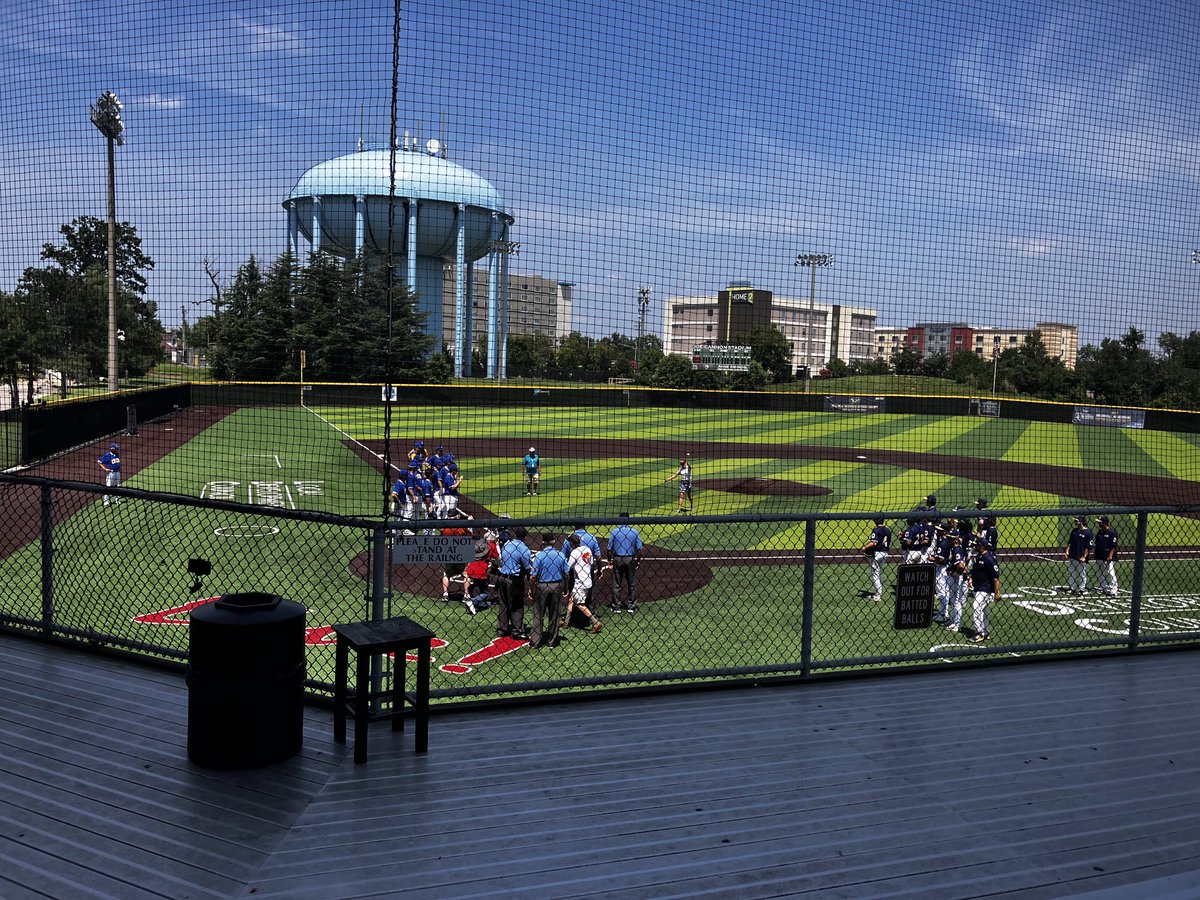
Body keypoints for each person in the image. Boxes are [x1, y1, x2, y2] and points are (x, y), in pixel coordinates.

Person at [529, 533, 570, 648]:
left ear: (543, 543)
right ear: (553, 542)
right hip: (556, 586)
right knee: (554, 614)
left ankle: (535, 641)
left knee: (538, 614)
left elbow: (533, 576)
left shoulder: (540, 556)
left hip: (542, 586)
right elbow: (566, 573)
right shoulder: (560, 555)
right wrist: (565, 588)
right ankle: (552, 641)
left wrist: (531, 589)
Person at [494, 527, 531, 640]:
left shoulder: (507, 545)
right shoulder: (524, 549)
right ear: (524, 537)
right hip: (514, 580)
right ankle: (517, 630)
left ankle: (502, 629)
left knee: (503, 603)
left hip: (502, 577)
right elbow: (527, 568)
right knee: (517, 605)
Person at [564, 533, 603, 634]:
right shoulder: (587, 549)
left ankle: (595, 622)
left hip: (580, 582)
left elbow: (567, 568)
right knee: (571, 600)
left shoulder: (574, 552)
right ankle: (566, 622)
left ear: (572, 543)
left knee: (580, 604)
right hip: (588, 579)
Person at [966, 537, 1001, 643]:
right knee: (983, 611)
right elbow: (976, 571)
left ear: (981, 546)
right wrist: (971, 578)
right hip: (979, 588)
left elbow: (995, 578)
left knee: (976, 607)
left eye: (977, 545)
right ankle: (985, 632)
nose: (975, 546)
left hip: (986, 589)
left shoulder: (989, 559)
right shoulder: (979, 556)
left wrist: (996, 592)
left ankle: (979, 633)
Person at [607, 512, 644, 612]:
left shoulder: (615, 531)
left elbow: (609, 549)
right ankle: (631, 606)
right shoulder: (634, 532)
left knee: (616, 583)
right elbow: (640, 550)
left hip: (617, 559)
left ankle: (616, 607)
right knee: (631, 583)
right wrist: (638, 561)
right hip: (630, 559)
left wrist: (609, 561)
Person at [942, 532, 968, 633]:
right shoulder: (957, 548)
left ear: (955, 540)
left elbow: (961, 566)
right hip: (955, 578)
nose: (948, 540)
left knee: (956, 602)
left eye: (950, 538)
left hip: (955, 579)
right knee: (954, 601)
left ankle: (956, 624)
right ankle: (953, 621)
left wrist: (956, 575)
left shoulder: (957, 550)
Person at [862, 516, 891, 602]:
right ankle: (879, 592)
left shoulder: (876, 530)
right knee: (878, 572)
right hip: (885, 553)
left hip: (878, 554)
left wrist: (864, 547)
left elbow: (873, 543)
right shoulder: (888, 530)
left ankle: (878, 595)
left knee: (875, 574)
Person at [1063, 517, 1093, 595]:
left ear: (1081, 522)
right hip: (1072, 555)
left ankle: (1082, 589)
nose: (1075, 522)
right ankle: (1072, 588)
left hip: (1081, 557)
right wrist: (1067, 551)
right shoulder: (1074, 531)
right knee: (1071, 572)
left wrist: (1084, 556)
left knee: (1082, 573)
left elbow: (1088, 547)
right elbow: (1070, 542)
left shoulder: (1088, 532)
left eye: (1076, 521)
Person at [1094, 516, 1119, 597]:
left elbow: (1114, 546)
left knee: (1110, 573)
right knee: (1099, 572)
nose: (1098, 523)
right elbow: (1097, 543)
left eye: (1100, 522)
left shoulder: (1112, 532)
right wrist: (1095, 553)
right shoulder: (1100, 532)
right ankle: (1103, 587)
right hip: (1099, 556)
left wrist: (1110, 555)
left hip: (1107, 557)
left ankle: (1113, 590)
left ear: (1104, 523)